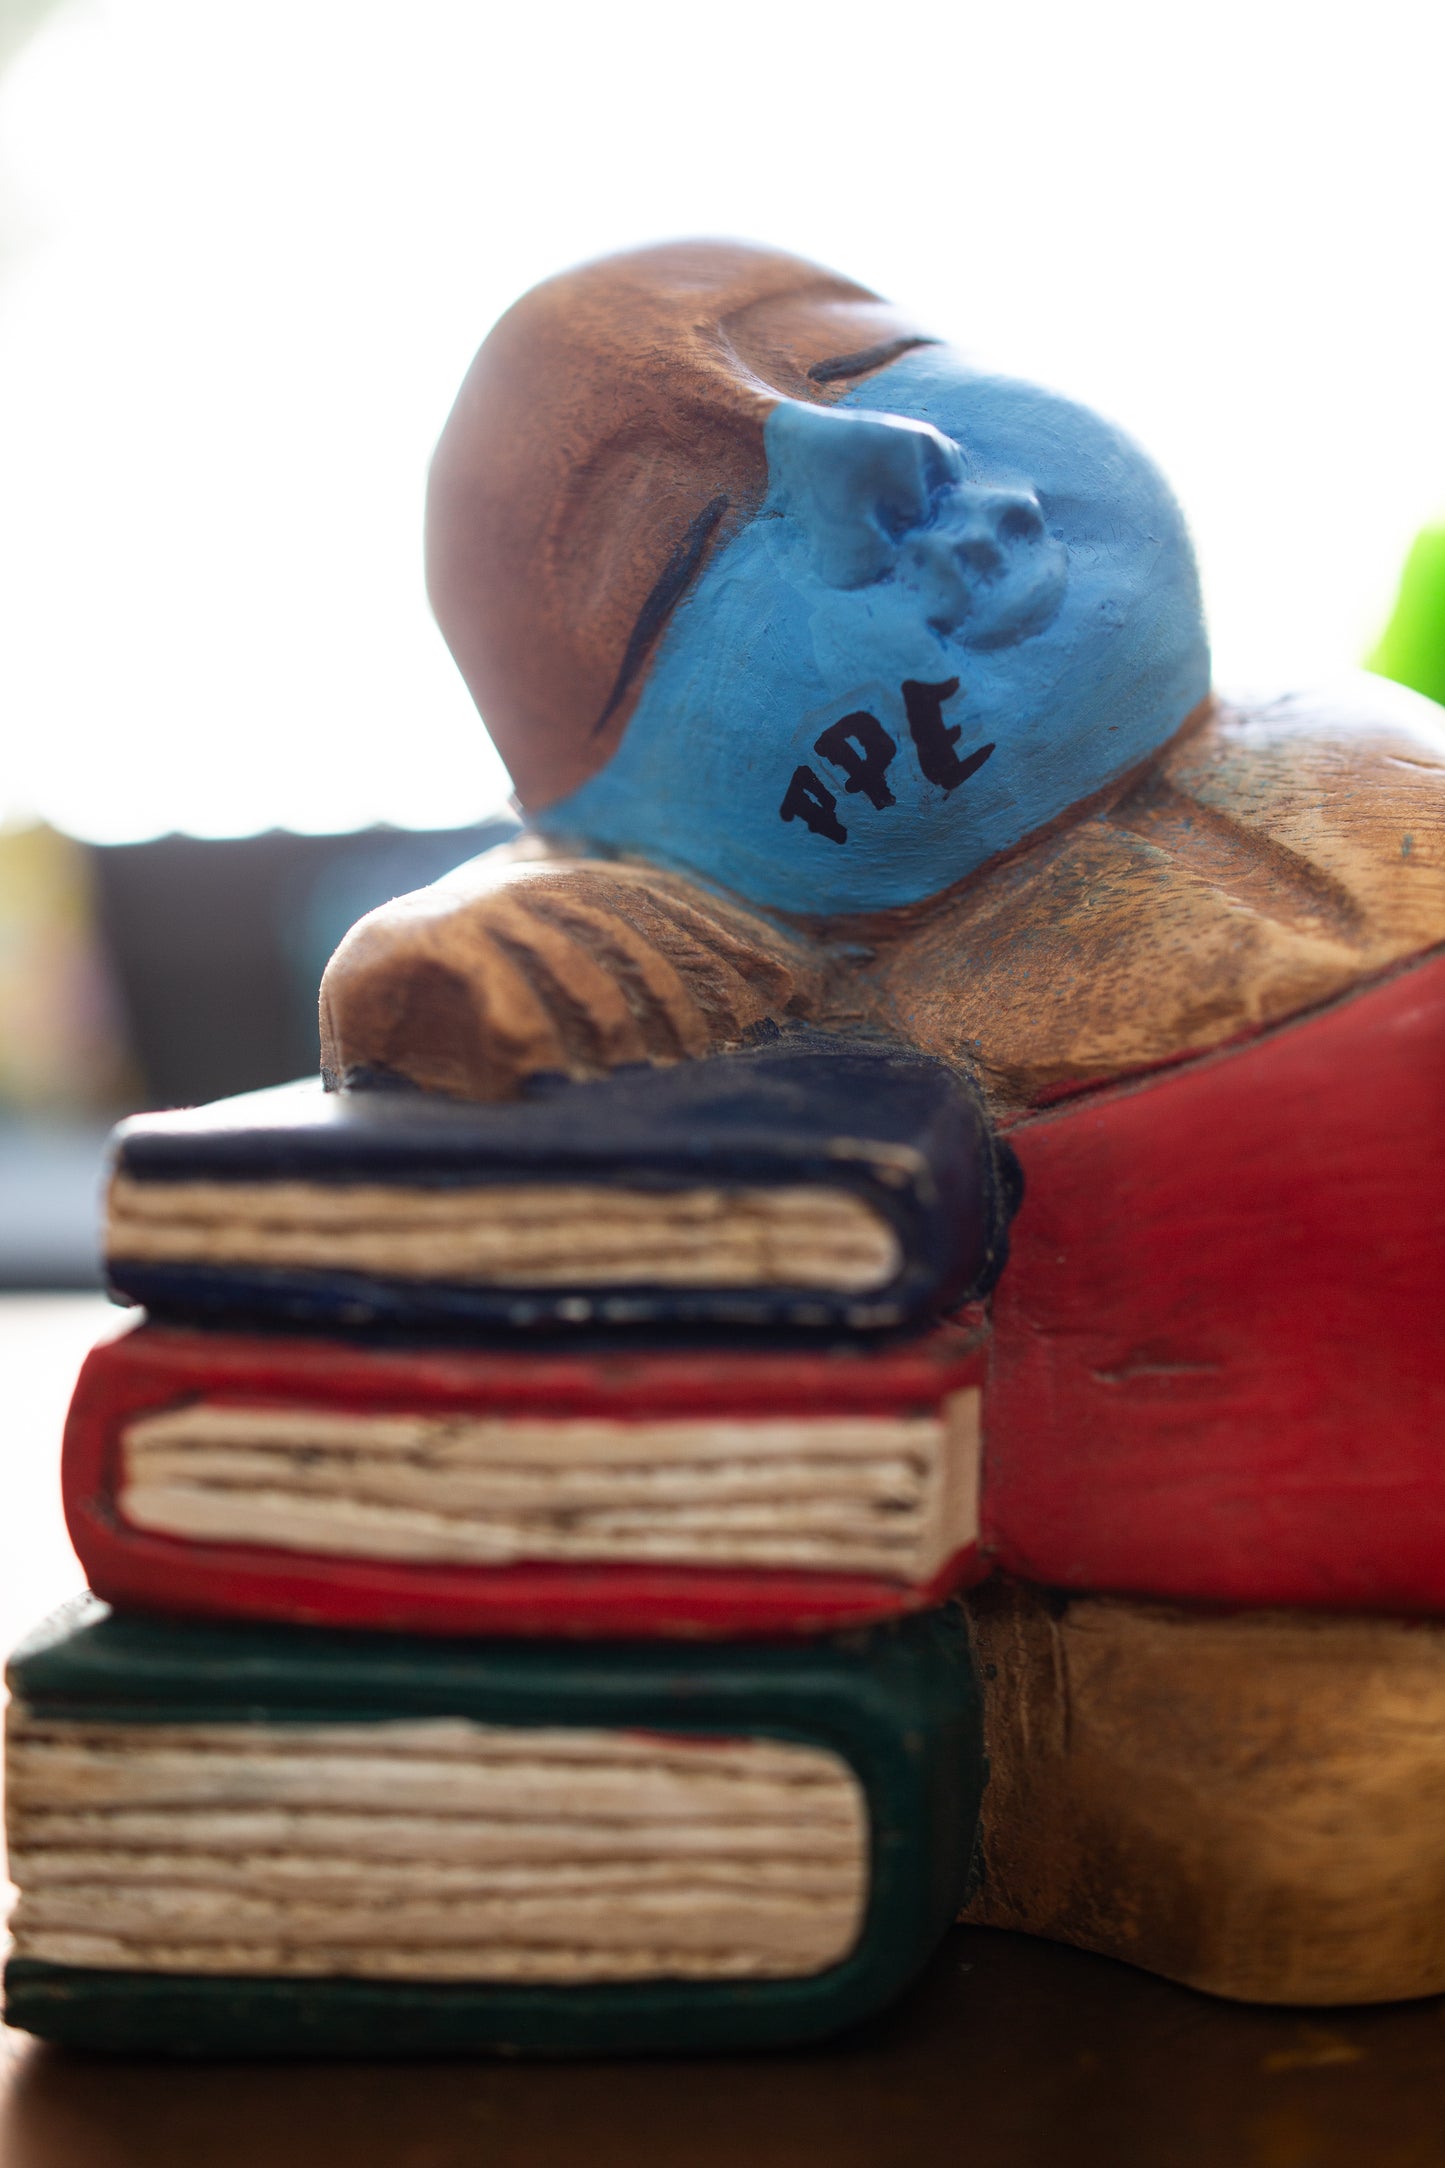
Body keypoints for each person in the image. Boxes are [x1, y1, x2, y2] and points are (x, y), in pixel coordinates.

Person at [321, 241, 1445, 1113]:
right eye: (684, 552)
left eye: (858, 362)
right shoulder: (720, 947)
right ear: (599, 830)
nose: (878, 451)